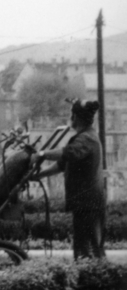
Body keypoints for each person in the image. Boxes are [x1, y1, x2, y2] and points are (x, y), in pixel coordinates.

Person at [35, 99, 107, 260]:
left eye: (72, 114)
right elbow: (62, 164)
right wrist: (38, 175)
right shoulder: (85, 137)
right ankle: (91, 279)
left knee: (90, 251)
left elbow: (68, 153)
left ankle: (95, 283)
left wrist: (41, 154)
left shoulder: (86, 138)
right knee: (85, 249)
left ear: (76, 117)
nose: (70, 117)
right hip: (85, 203)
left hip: (89, 204)